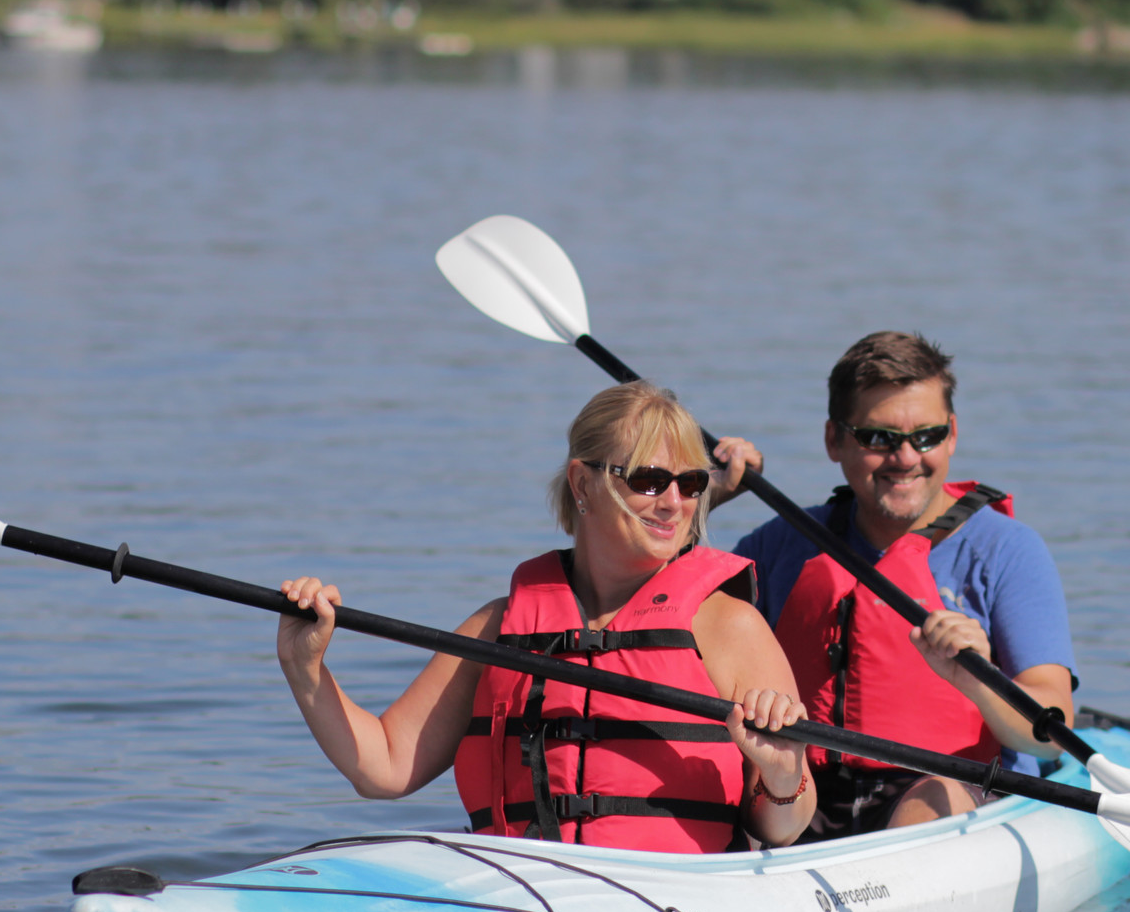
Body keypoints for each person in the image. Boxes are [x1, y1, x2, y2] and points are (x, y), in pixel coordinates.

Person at [277, 380, 817, 852]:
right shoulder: (498, 627)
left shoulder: (730, 627)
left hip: (675, 900)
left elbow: (786, 827)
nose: (674, 502)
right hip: (525, 889)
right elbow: (386, 767)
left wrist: (781, 771)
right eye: (650, 480)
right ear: (583, 484)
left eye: (691, 484)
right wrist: (306, 671)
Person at [710, 331, 1077, 840]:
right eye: (879, 438)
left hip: (951, 791)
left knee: (927, 803)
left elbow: (1050, 738)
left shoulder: (1006, 550)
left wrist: (976, 675)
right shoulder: (781, 545)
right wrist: (701, 498)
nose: (906, 458)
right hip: (801, 791)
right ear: (834, 440)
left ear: (951, 435)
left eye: (925, 436)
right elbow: (663, 622)